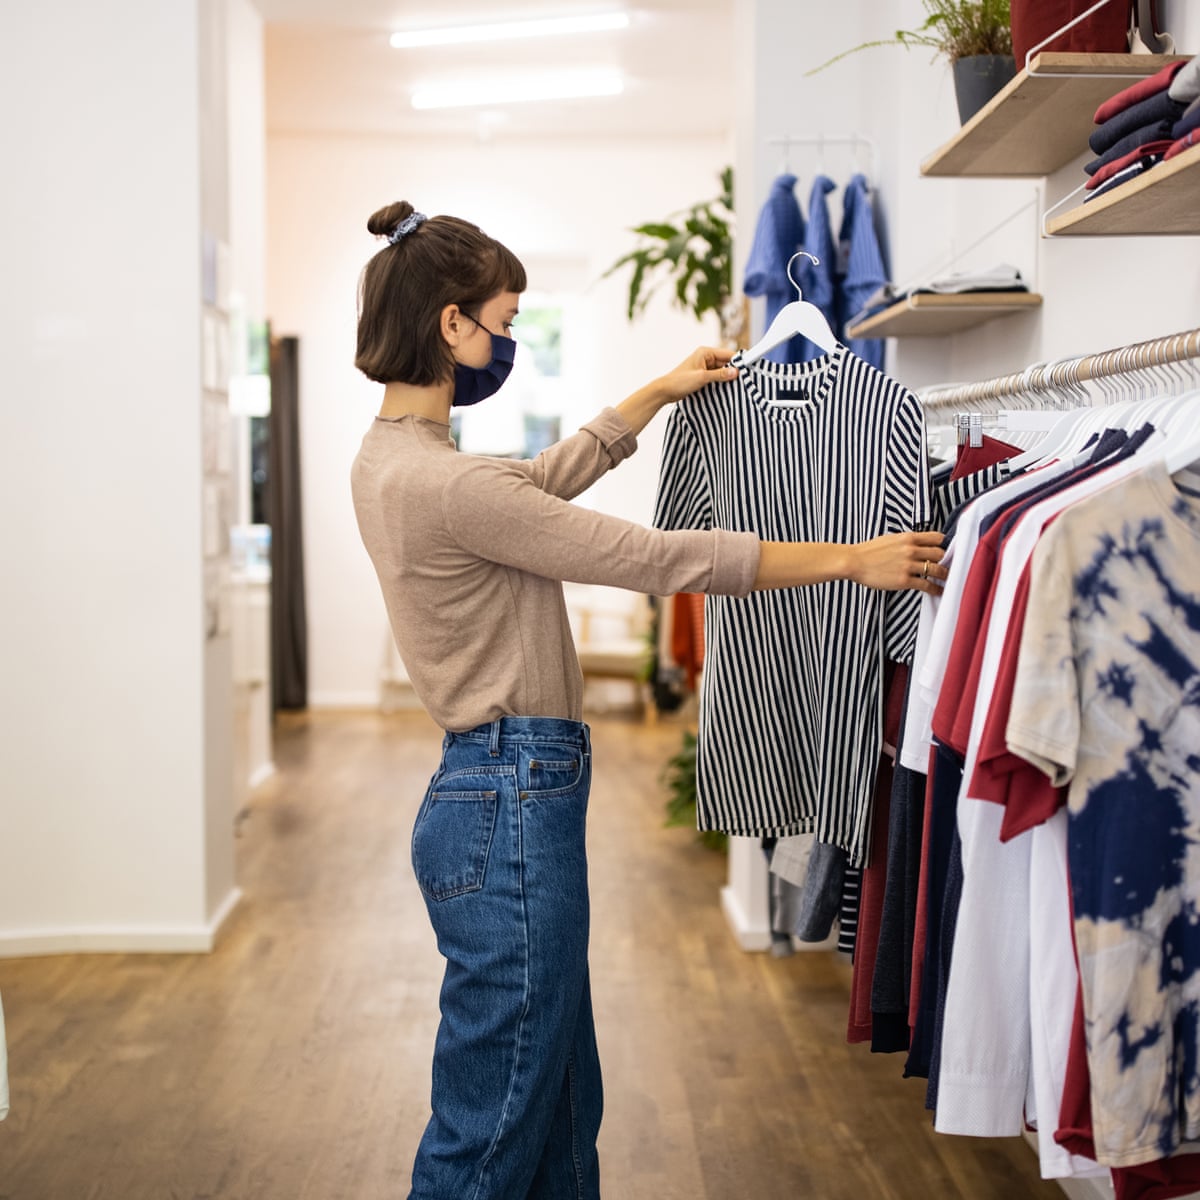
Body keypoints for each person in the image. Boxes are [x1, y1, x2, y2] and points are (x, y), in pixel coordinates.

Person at [349, 200, 947, 1200]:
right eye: (501, 322)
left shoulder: (400, 466)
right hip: (508, 798)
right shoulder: (450, 488)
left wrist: (659, 393)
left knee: (556, 1100)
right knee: (493, 1125)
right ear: (450, 324)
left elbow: (539, 479)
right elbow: (652, 557)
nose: (506, 343)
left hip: (496, 795)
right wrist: (853, 554)